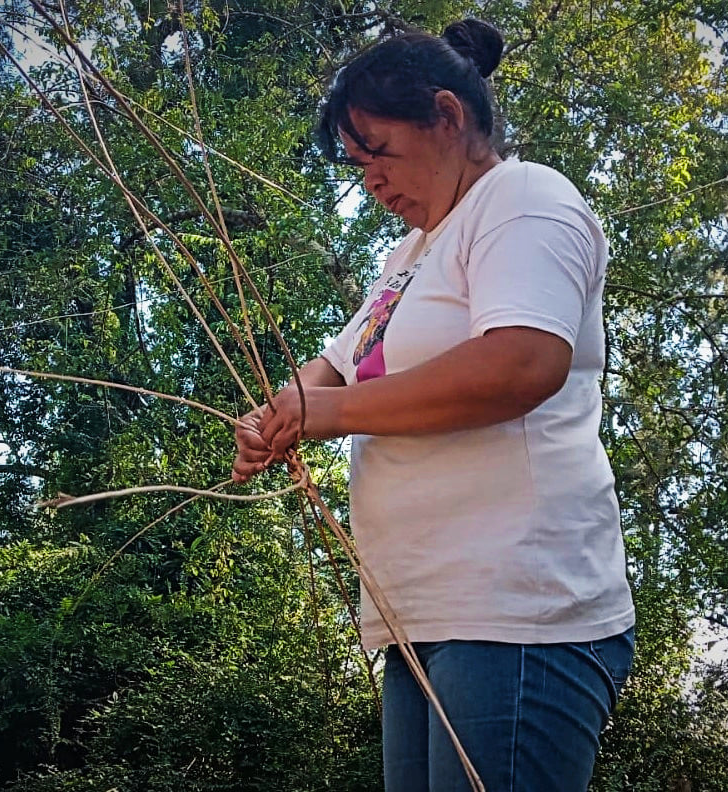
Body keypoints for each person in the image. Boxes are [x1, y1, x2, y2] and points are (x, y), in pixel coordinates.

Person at [231, 18, 635, 792]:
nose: (371, 182)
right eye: (358, 166)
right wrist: (281, 412)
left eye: (378, 152)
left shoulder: (522, 198)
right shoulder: (410, 254)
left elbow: (521, 361)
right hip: (422, 613)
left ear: (446, 116)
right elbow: (337, 368)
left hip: (513, 610)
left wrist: (325, 415)